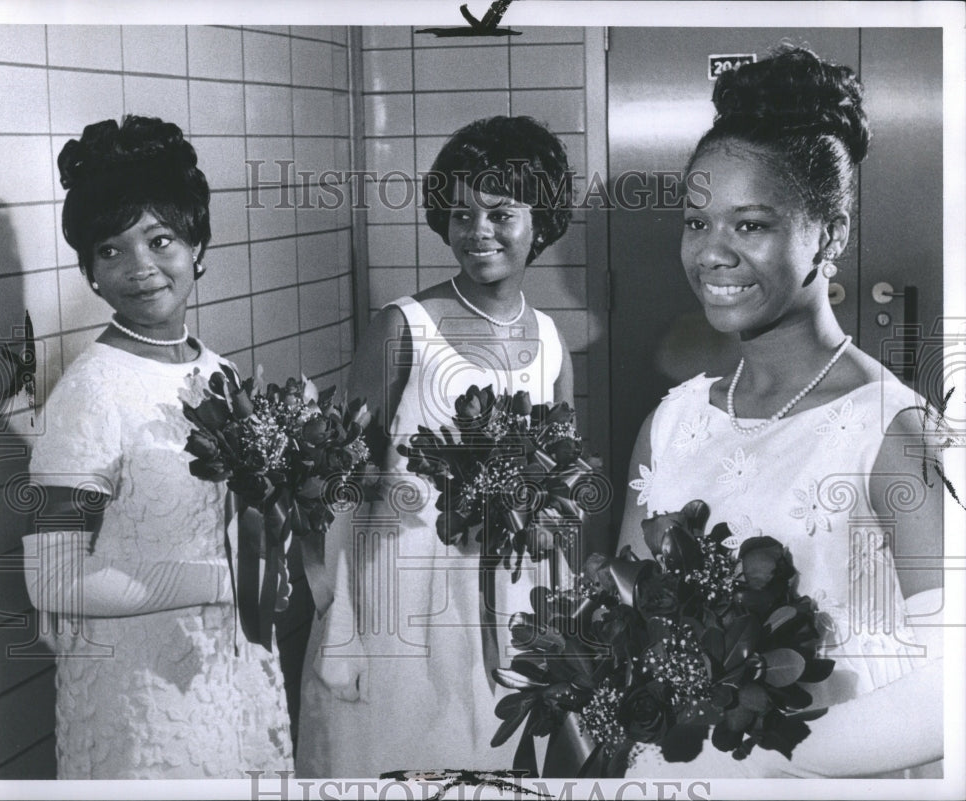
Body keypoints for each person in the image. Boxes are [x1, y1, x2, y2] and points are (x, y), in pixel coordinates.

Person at [617, 47, 944, 777]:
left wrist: (759, 758)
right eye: (697, 224)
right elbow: (628, 616)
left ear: (829, 235)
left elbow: (955, 695)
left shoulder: (897, 434)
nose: (712, 254)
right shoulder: (672, 422)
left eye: (751, 225)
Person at [296, 115, 576, 776]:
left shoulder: (553, 341)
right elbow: (338, 480)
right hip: (399, 594)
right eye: (460, 212)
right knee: (392, 756)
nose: (477, 231)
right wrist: (336, 613)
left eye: (501, 212)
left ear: (542, 219)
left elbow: (563, 495)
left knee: (488, 760)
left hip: (504, 600)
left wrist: (561, 614)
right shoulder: (403, 328)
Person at [22, 115, 293, 779]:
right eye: (109, 250)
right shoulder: (92, 389)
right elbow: (51, 578)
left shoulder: (219, 372)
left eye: (159, 238)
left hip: (229, 671)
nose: (138, 267)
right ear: (89, 270)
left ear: (197, 243)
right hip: (138, 695)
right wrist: (221, 582)